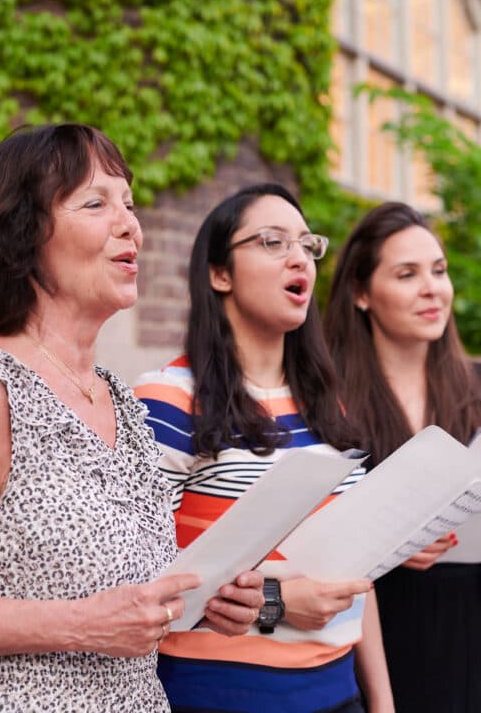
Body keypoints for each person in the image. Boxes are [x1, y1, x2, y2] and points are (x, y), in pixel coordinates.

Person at [0, 123, 264, 712]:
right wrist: (76, 626)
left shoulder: (120, 400)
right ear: (25, 233)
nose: (131, 224)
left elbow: (120, 601)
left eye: (128, 202)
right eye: (96, 203)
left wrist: (202, 600)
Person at [135, 183, 394, 713]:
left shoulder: (330, 408)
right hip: (216, 698)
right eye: (273, 242)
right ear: (219, 273)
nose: (298, 257)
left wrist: (383, 702)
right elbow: (140, 585)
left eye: (306, 244)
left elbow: (354, 579)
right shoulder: (164, 399)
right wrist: (274, 604)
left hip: (339, 694)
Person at [324, 201, 481, 713]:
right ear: (361, 293)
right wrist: (388, 542)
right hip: (381, 631)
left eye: (438, 271)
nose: (432, 288)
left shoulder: (477, 387)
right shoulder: (328, 401)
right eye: (407, 274)